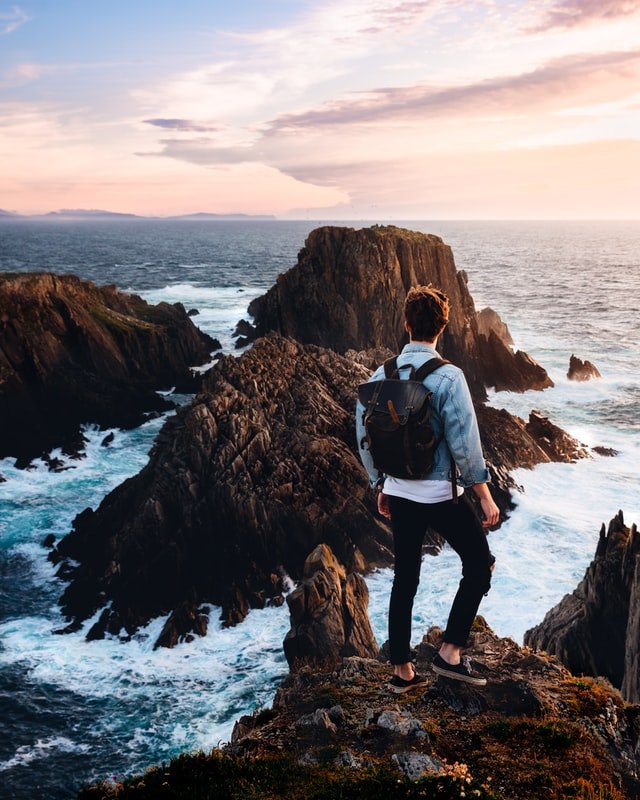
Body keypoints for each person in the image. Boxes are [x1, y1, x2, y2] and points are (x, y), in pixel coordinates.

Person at [356, 285, 499, 692]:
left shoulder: (379, 376)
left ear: (405, 324)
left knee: (405, 578)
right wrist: (484, 496)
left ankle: (402, 670)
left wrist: (380, 484)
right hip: (440, 496)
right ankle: (450, 652)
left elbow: (365, 437)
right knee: (479, 564)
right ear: (443, 327)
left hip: (399, 493)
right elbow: (465, 444)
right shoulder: (449, 378)